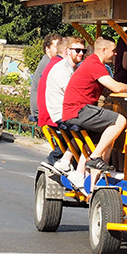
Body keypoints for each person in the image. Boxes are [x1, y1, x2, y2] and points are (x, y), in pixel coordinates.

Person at [62, 37, 127, 186]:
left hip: (76, 110)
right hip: (78, 109)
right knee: (120, 120)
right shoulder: (94, 64)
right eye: (114, 51)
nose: (116, 54)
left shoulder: (92, 63)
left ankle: (92, 184)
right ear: (104, 51)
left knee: (107, 140)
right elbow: (115, 87)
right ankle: (95, 158)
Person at [44, 37, 87, 186]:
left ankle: (67, 160)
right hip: (62, 113)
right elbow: (73, 93)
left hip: (67, 111)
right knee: (96, 128)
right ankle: (80, 171)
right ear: (67, 51)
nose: (81, 53)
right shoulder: (62, 69)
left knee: (92, 124)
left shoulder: (71, 68)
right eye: (77, 50)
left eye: (83, 51)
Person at [37, 37, 68, 167]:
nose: (81, 54)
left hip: (48, 112)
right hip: (53, 115)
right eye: (78, 50)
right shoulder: (60, 66)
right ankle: (55, 158)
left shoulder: (53, 63)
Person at [29, 33, 62, 119]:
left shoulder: (48, 61)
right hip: (41, 109)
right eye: (56, 47)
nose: (59, 49)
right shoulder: (49, 63)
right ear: (47, 49)